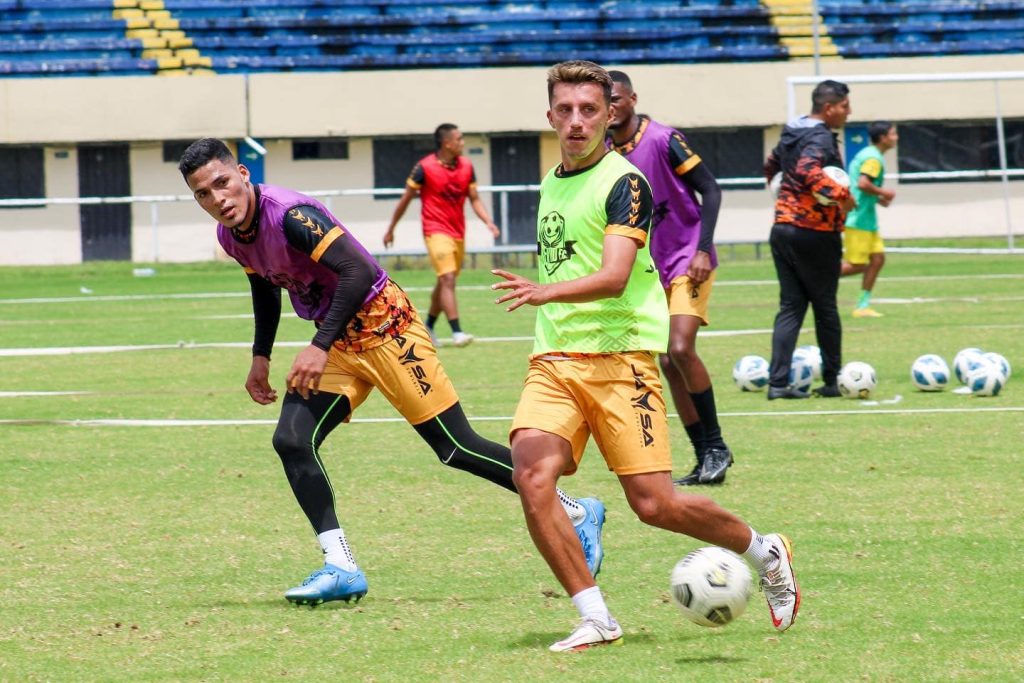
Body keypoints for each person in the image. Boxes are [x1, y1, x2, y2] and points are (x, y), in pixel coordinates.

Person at [178, 138, 604, 606]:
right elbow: (265, 285)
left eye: (222, 183)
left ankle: (577, 511)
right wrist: (261, 355)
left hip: (387, 329)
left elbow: (358, 272)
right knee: (292, 440)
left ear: (242, 173)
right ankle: (340, 566)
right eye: (203, 194)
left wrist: (317, 346)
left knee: (455, 447)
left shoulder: (292, 216)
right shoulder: (230, 236)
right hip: (338, 340)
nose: (218, 200)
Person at [491, 61, 800, 652]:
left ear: (610, 114)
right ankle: (596, 617)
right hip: (554, 358)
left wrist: (544, 291)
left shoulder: (625, 182)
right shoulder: (552, 181)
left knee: (655, 505)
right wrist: (549, 305)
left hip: (621, 361)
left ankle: (766, 552)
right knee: (531, 477)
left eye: (589, 110)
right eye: (565, 110)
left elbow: (614, 275)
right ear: (549, 115)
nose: (577, 121)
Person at [607, 69, 732, 487]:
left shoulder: (663, 139)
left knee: (679, 347)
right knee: (664, 359)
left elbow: (710, 189)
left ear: (633, 99)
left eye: (618, 99)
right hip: (649, 268)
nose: (611, 108)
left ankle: (716, 447)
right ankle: (704, 457)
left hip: (687, 258)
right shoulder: (606, 151)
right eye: (604, 101)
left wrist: (703, 248)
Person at [763, 79, 855, 400]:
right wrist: (842, 195)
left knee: (791, 306)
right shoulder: (819, 137)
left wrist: (784, 195)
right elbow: (807, 169)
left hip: (782, 227)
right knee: (826, 307)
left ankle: (777, 384)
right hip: (814, 232)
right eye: (844, 106)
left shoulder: (791, 132)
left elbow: (771, 164)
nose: (848, 112)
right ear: (828, 108)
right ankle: (832, 380)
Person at [382, 124, 500, 347]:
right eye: (460, 139)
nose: (463, 143)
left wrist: (488, 222)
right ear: (447, 143)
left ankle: (428, 325)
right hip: (435, 231)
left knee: (445, 280)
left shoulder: (466, 166)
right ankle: (457, 332)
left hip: (458, 232)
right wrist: (391, 229)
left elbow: (473, 198)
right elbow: (406, 199)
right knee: (447, 279)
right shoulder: (424, 168)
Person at [841, 121, 898, 318]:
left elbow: (862, 187)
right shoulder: (873, 158)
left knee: (877, 259)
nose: (896, 137)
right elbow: (863, 183)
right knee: (857, 264)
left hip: (867, 219)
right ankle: (815, 277)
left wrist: (879, 198)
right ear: (883, 138)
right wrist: (885, 192)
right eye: (893, 134)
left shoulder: (869, 154)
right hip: (858, 219)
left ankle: (862, 305)